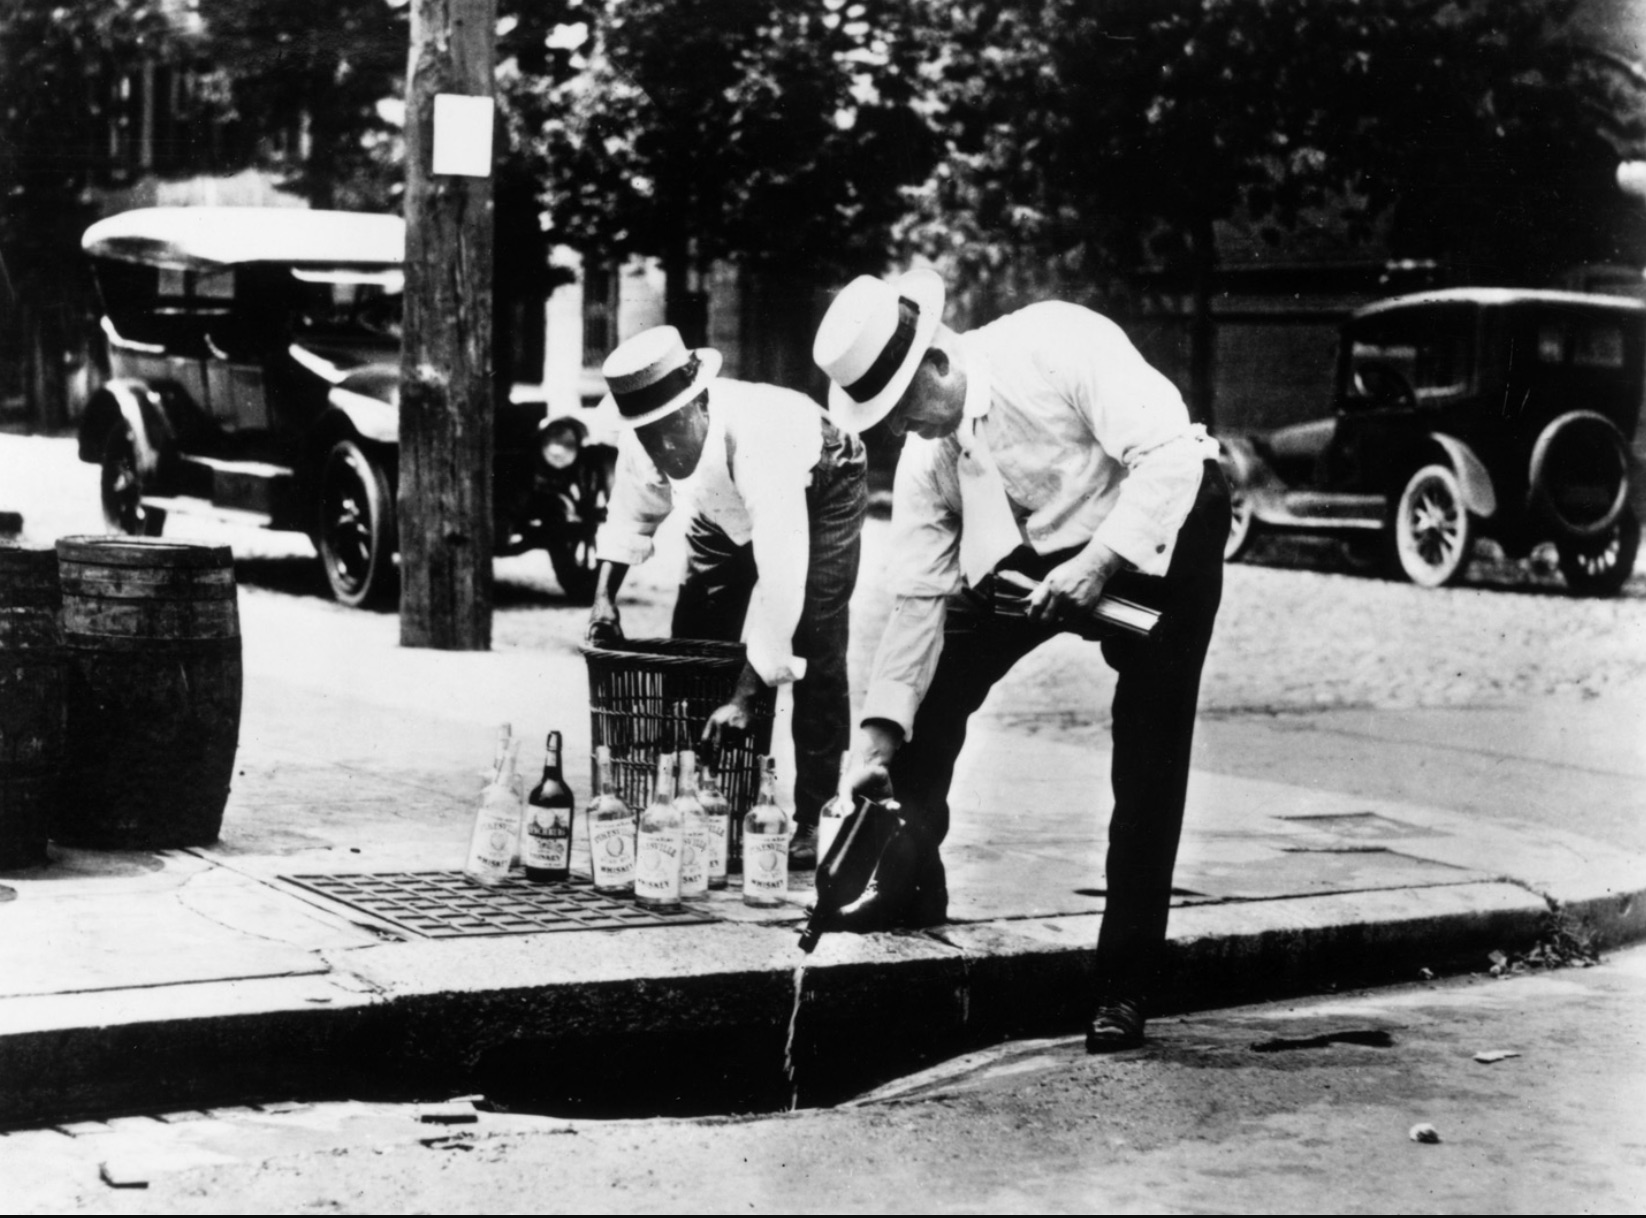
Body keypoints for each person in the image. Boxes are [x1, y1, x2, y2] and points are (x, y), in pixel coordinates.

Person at [812, 269, 1228, 1051]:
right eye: (887, 419)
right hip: (1036, 557)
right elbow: (917, 601)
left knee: (1148, 754)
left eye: (905, 408)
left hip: (1164, 527)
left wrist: (1102, 562)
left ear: (937, 361)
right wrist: (874, 742)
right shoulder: (927, 457)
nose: (906, 430)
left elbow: (1172, 457)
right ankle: (907, 885)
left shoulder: (1056, 344)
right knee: (930, 703)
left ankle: (1124, 984)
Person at [586, 325, 867, 868]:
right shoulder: (645, 436)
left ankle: (813, 816)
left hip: (821, 481)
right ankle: (691, 796)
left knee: (814, 640)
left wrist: (745, 695)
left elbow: (782, 578)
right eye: (648, 435)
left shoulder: (759, 439)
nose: (663, 447)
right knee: (696, 630)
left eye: (670, 429)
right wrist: (604, 598)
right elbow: (629, 515)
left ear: (700, 404)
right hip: (720, 510)